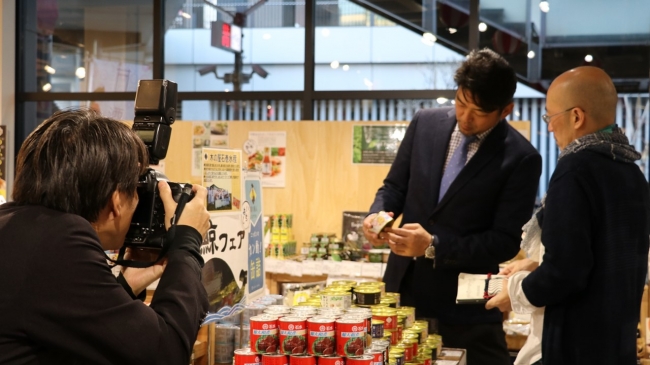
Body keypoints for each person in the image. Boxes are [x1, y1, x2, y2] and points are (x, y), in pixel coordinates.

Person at [362, 48, 542, 365]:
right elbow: (394, 187)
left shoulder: (520, 157)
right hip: (403, 291)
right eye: (461, 102)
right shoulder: (425, 123)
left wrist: (433, 245)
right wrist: (380, 215)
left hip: (465, 307)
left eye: (479, 111)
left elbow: (504, 240)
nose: (465, 117)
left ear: (505, 110)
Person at [0, 109, 210, 364]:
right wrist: (186, 245)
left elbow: (54, 320)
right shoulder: (61, 242)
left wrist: (123, 288)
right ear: (116, 201)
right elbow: (165, 353)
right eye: (136, 190)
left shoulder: (13, 224)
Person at [486, 66, 650, 364]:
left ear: (576, 116)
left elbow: (565, 273)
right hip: (616, 346)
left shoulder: (575, 169)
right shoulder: (631, 172)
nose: (549, 127)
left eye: (551, 116)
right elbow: (600, 259)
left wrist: (516, 292)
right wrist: (536, 264)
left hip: (574, 348)